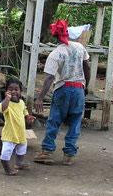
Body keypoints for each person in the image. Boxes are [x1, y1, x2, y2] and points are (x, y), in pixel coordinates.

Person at [34, 19, 90, 166]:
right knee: (75, 121)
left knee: (55, 120)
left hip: (63, 89)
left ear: (55, 37)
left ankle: (47, 151)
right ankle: (69, 155)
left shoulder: (55, 53)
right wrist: (86, 86)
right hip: (79, 89)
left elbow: (49, 78)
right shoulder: (79, 47)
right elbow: (87, 67)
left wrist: (40, 98)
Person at [0, 79, 35, 176]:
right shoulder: (6, 103)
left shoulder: (22, 103)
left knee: (22, 148)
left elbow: (24, 111)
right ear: (6, 92)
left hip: (20, 133)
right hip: (10, 134)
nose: (14, 91)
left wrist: (28, 117)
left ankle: (19, 163)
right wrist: (7, 98)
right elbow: (2, 108)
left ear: (21, 91)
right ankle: (7, 169)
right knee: (6, 152)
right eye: (10, 89)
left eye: (16, 89)